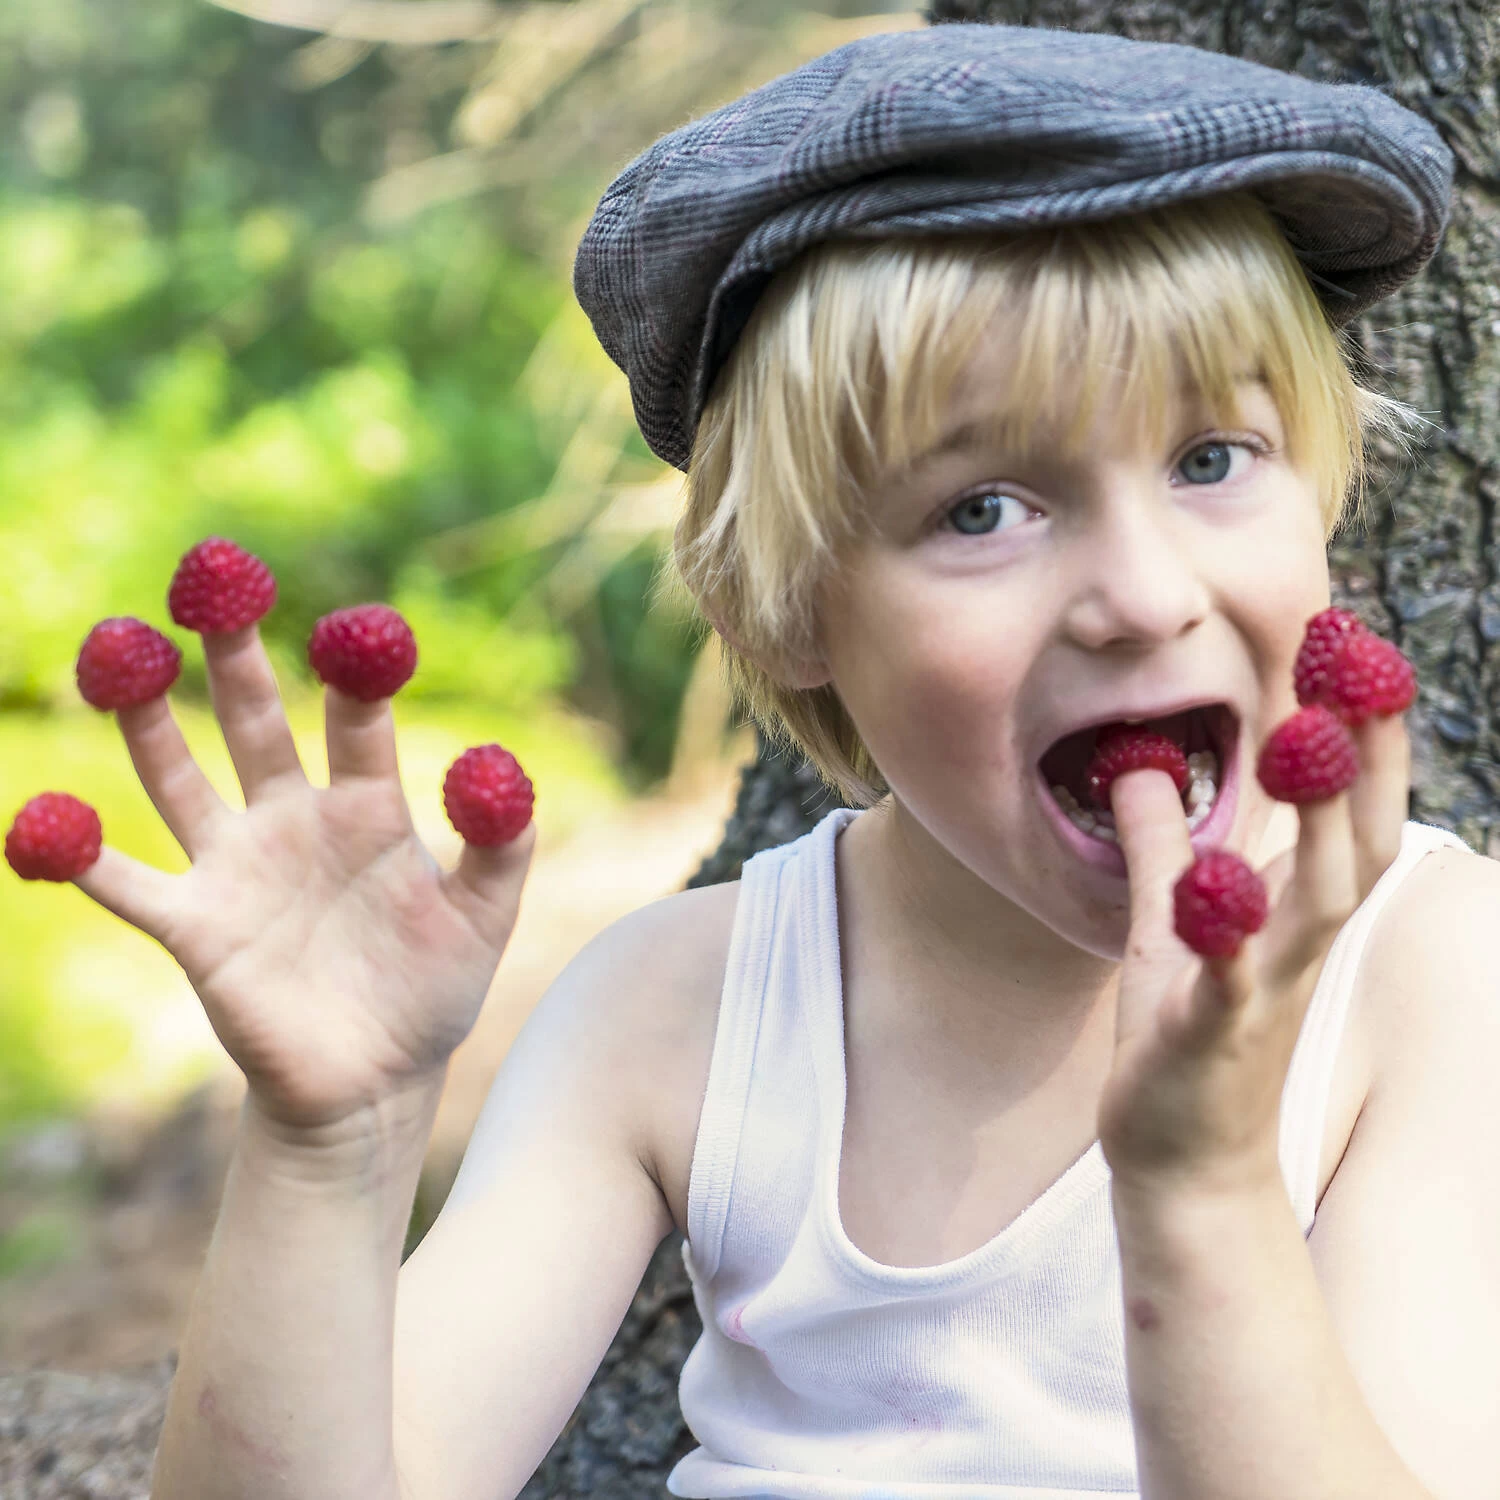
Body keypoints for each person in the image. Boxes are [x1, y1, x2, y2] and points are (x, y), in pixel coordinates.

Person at [54, 20, 1499, 1500]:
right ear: (786, 609)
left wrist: (1204, 1192)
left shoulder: (1427, 975)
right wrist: (327, 1145)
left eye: (1210, 460)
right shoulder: (677, 1007)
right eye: (983, 509)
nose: (1142, 595)